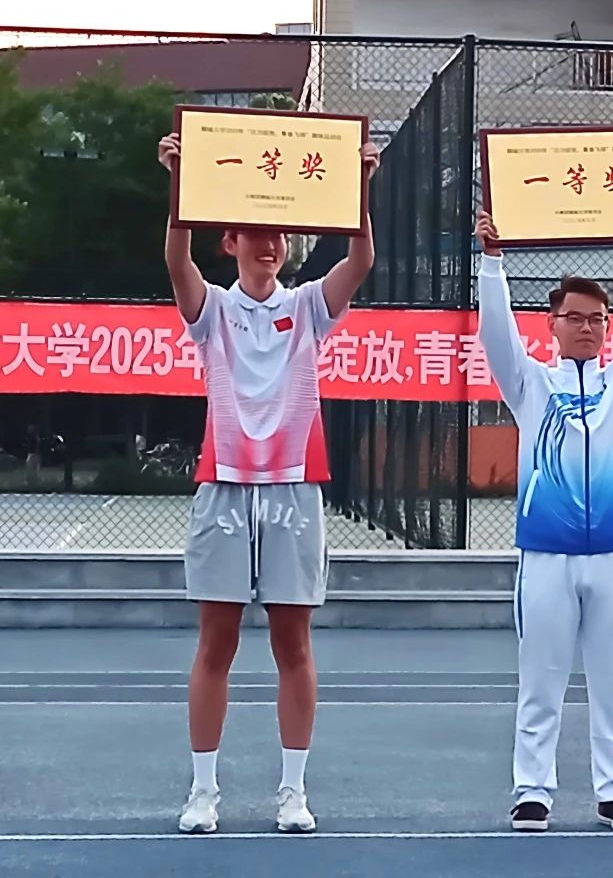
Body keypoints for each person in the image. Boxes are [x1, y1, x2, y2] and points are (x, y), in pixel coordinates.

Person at [158, 132, 380, 834]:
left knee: (294, 644)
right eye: (254, 233)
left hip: (293, 487)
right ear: (230, 241)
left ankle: (293, 791)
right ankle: (203, 792)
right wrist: (180, 182)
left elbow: (361, 259)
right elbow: (176, 260)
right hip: (224, 486)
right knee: (215, 643)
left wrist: (359, 186)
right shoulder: (213, 311)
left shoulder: (309, 305)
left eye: (278, 234)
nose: (268, 244)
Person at [474, 206, 613, 833]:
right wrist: (492, 264)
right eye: (575, 318)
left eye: (597, 319)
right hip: (547, 551)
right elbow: (496, 337)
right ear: (553, 324)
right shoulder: (529, 385)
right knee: (540, 679)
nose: (588, 327)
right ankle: (532, 790)